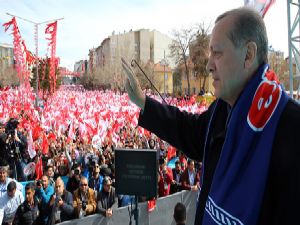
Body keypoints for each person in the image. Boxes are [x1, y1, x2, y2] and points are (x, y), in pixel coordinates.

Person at [122, 7, 300, 225]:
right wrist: (143, 101)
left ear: (248, 54)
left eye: (217, 53)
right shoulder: (222, 108)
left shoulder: (290, 126)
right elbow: (190, 131)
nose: (208, 65)